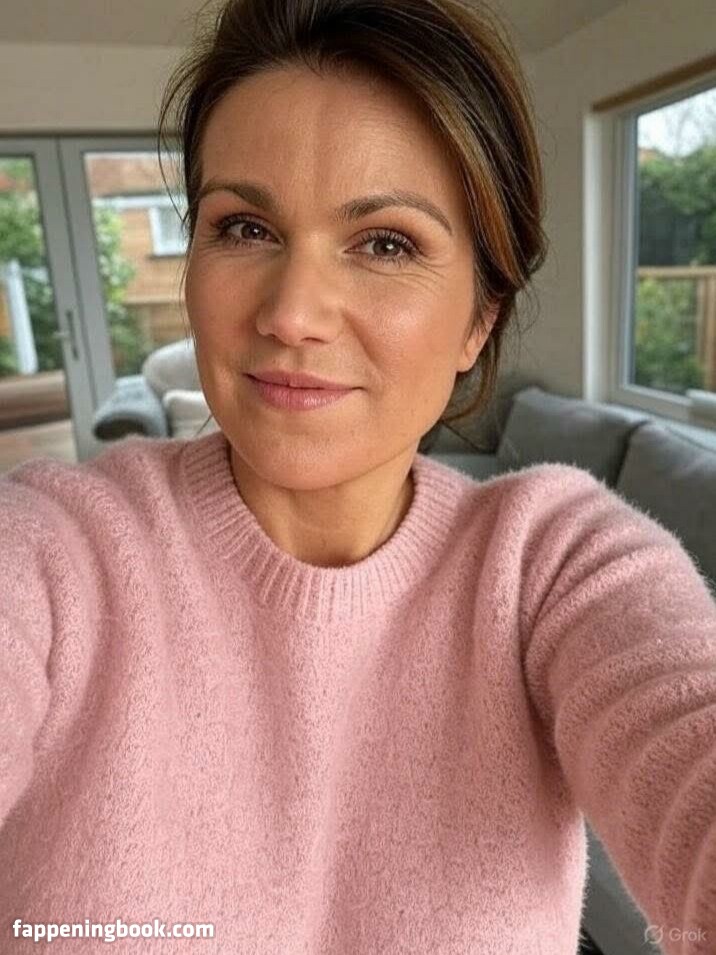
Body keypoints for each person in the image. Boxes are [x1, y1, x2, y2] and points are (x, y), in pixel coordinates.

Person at [1, 0, 715, 952]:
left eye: (386, 242)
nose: (293, 312)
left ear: (479, 320)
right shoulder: (57, 549)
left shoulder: (555, 565)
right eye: (245, 226)